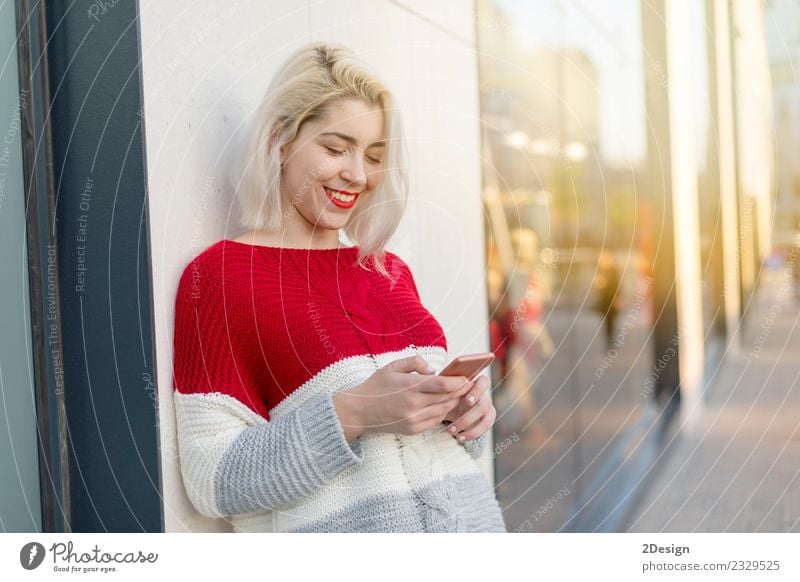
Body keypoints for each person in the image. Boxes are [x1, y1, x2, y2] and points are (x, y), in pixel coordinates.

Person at [171, 43, 507, 533]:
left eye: (374, 155)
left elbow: (435, 447)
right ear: (280, 142)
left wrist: (468, 415)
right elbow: (213, 480)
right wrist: (354, 413)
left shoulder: (388, 271)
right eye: (335, 148)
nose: (358, 174)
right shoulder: (221, 278)